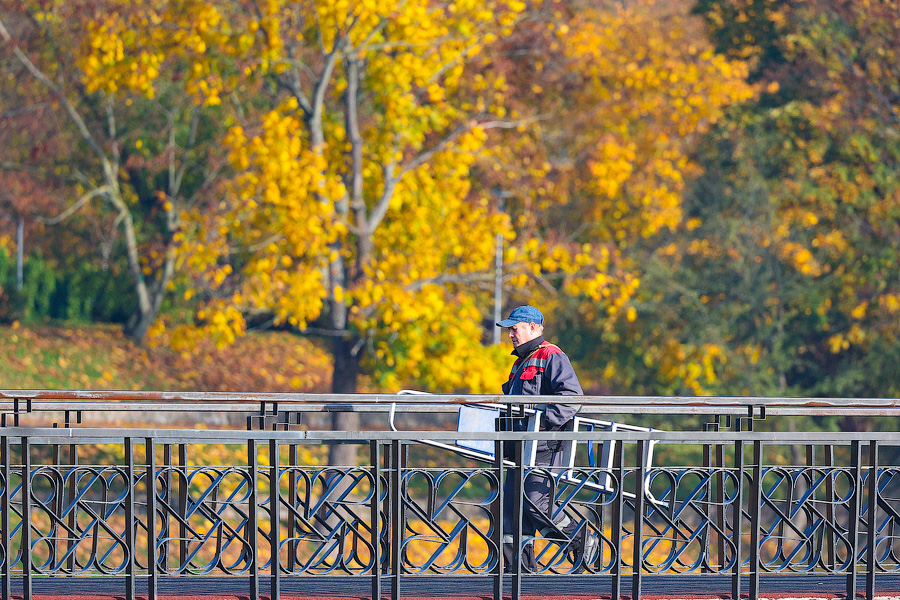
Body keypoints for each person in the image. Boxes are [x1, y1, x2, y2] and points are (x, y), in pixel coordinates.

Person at [496, 305, 599, 573]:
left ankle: (581, 539)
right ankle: (517, 568)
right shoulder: (521, 361)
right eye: (509, 330)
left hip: (545, 445)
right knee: (512, 507)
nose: (510, 335)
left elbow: (573, 398)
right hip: (519, 447)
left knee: (534, 501)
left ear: (532, 327)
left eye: (514, 329)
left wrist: (540, 425)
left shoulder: (551, 355)